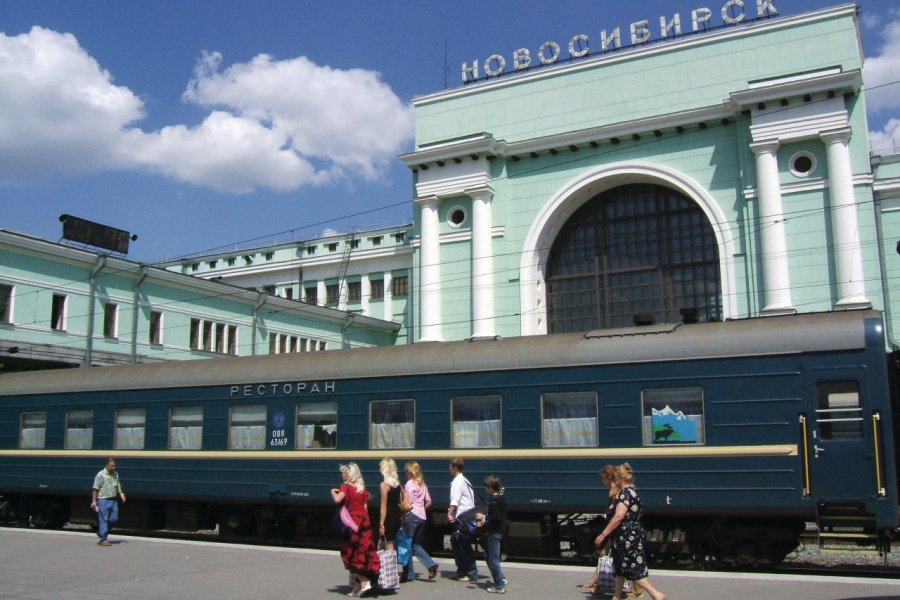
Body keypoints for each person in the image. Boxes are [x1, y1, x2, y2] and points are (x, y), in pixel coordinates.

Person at [593, 463, 666, 600]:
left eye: (616, 478)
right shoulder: (633, 491)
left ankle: (655, 594)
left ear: (620, 478)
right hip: (628, 532)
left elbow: (619, 516)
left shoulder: (625, 494)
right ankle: (616, 596)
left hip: (626, 534)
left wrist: (603, 534)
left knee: (630, 567)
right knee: (620, 567)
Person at [331, 462, 380, 597]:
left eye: (344, 472)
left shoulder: (345, 487)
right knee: (362, 552)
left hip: (352, 522)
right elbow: (365, 508)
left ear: (348, 474)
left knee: (350, 553)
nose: (342, 474)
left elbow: (337, 500)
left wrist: (332, 492)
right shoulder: (362, 488)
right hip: (364, 523)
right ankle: (356, 587)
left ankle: (364, 582)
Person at [400, 461, 439, 582]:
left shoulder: (409, 484)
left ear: (411, 472)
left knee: (406, 544)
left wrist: (405, 514)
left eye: (406, 472)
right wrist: (421, 508)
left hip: (411, 515)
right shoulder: (422, 484)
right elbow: (429, 502)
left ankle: (408, 574)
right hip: (422, 516)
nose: (406, 474)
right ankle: (431, 564)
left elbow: (407, 503)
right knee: (415, 544)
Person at [447, 457, 478, 582]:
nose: (449, 469)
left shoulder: (457, 481)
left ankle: (470, 573)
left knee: (463, 543)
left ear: (455, 468)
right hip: (467, 515)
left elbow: (455, 500)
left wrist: (450, 513)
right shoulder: (465, 480)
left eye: (450, 467)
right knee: (456, 541)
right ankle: (462, 570)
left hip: (462, 517)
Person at [475, 475, 507, 594]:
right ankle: (500, 579)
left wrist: (484, 517)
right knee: (489, 556)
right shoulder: (500, 498)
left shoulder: (494, 500)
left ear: (490, 487)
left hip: (494, 532)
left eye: (486, 487)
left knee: (493, 559)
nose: (485, 489)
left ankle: (499, 585)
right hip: (498, 531)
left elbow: (496, 517)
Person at [90, 457, 126, 546]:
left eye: (114, 466)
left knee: (113, 519)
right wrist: (94, 501)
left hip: (113, 500)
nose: (113, 468)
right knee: (103, 520)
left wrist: (121, 494)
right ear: (107, 465)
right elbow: (95, 488)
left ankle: (101, 532)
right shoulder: (100, 475)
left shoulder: (115, 474)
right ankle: (103, 539)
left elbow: (118, 485)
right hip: (103, 500)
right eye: (111, 466)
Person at [378, 457, 403, 551]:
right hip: (397, 515)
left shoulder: (384, 485)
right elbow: (400, 502)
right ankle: (388, 564)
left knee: (389, 544)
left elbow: (383, 506)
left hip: (389, 517)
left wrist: (381, 524)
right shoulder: (397, 485)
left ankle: (389, 565)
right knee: (390, 542)